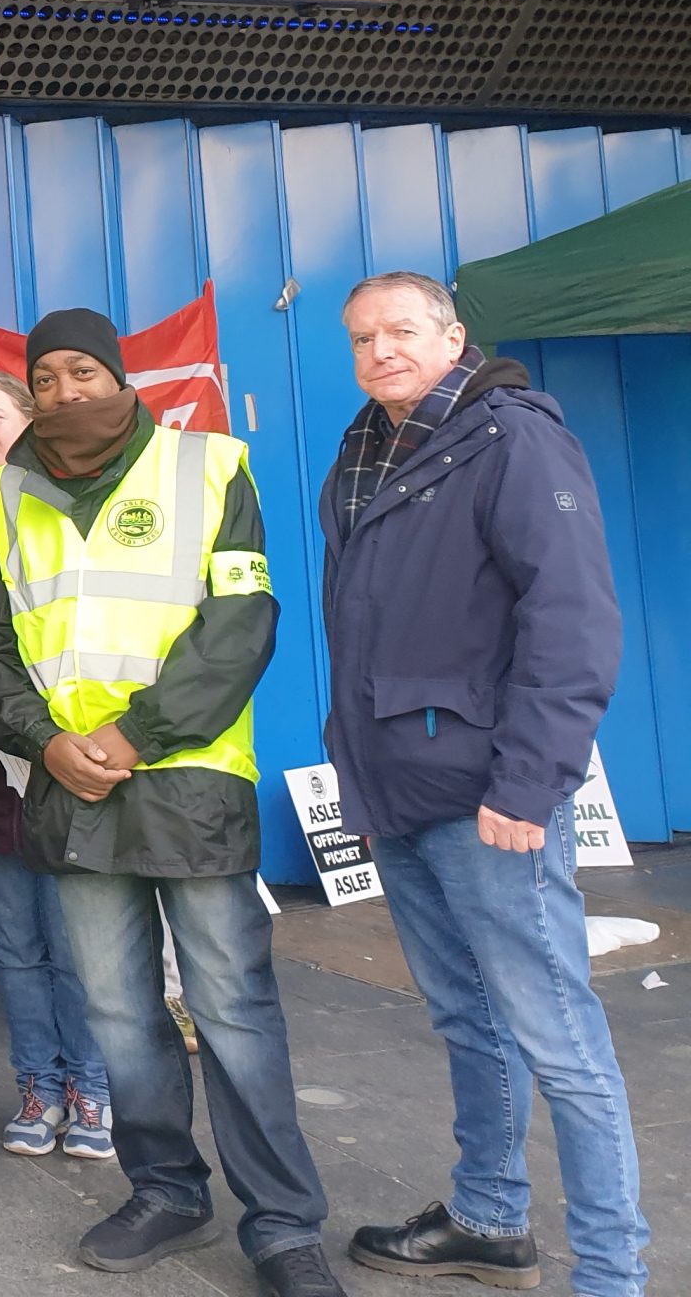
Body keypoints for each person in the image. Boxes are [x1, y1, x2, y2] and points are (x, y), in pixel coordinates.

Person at [0, 309, 344, 1297]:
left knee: (230, 1010)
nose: (61, 393)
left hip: (188, 781)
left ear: (121, 377)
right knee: (120, 1016)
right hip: (69, 790)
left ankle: (283, 1223)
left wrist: (132, 737)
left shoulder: (208, 467)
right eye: (42, 379)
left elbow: (241, 619)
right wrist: (47, 743)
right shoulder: (1, 498)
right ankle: (167, 1191)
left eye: (81, 371)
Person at [322, 273, 646, 1297]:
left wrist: (529, 784)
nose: (380, 351)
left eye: (401, 331)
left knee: (558, 1036)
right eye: (363, 338)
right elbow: (368, 639)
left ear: (452, 334)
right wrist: (363, 790)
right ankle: (491, 1219)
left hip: (487, 802)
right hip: (402, 793)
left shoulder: (511, 441)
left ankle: (609, 1271)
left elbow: (573, 622)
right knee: (468, 1018)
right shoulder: (364, 452)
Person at [0, 370, 113, 1162]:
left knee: (77, 945)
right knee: (13, 943)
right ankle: (37, 1089)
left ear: (29, 420)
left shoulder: (62, 506)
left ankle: (94, 1091)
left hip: (63, 756)